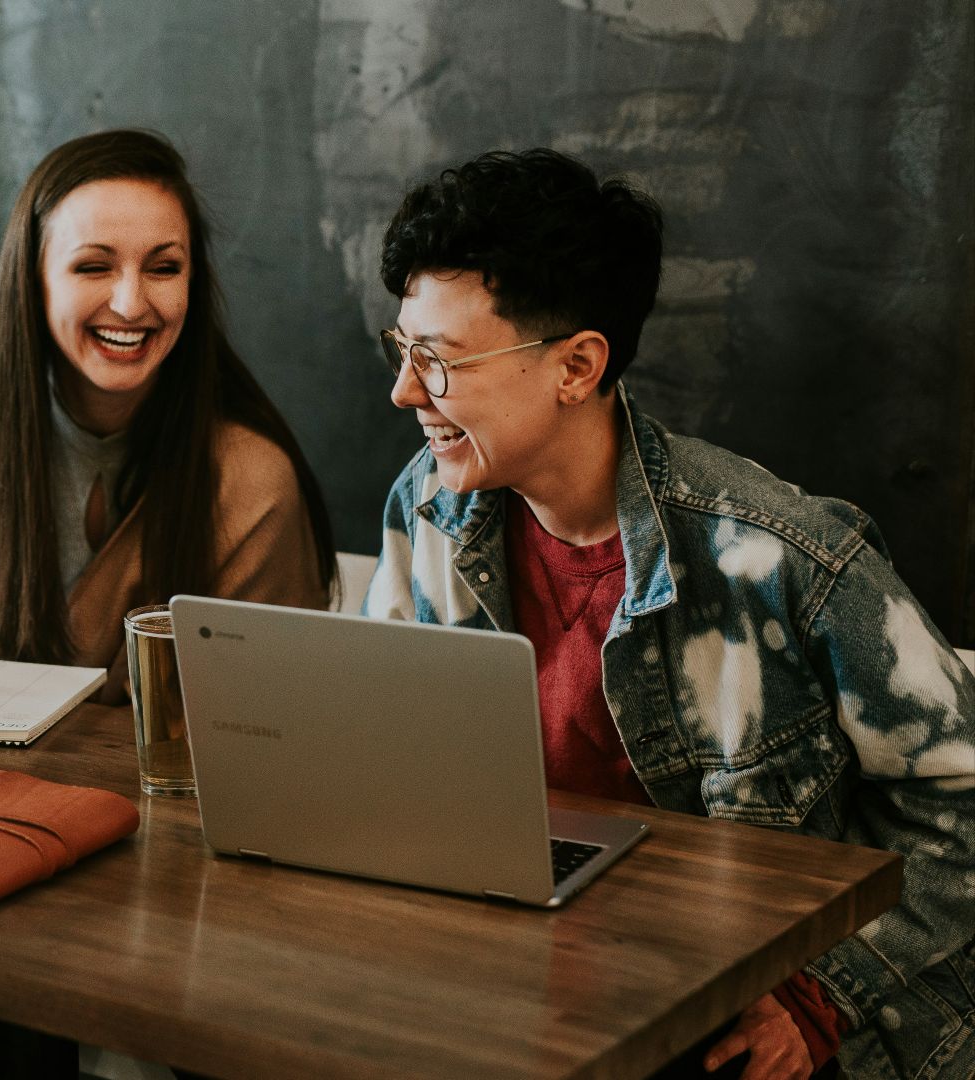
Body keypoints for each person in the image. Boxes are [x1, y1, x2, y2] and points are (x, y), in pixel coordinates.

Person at [362, 148, 975, 1080]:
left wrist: (821, 1000)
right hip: (530, 989)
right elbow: (394, 765)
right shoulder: (429, 506)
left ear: (577, 366)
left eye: (438, 361)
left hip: (742, 1016)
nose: (406, 391)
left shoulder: (781, 558)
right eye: (402, 350)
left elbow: (962, 804)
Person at [0, 129, 334, 703]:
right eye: (93, 267)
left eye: (164, 268)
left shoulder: (252, 482)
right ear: (35, 281)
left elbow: (273, 727)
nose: (130, 304)